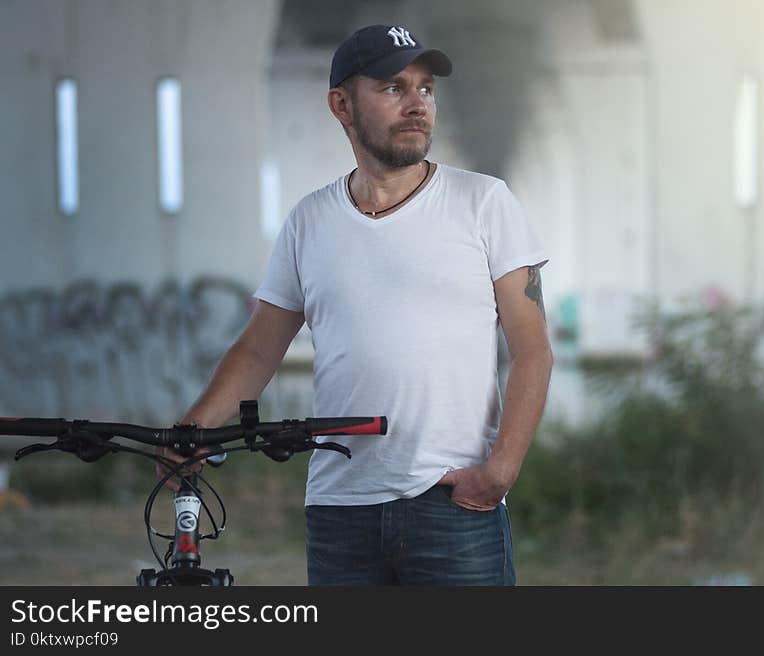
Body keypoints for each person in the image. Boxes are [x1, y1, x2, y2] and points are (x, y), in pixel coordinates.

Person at [158, 24, 553, 586]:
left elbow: (532, 350)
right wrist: (192, 431)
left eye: (425, 88)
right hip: (340, 511)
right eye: (393, 87)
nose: (417, 103)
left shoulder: (484, 202)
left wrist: (502, 471)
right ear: (341, 104)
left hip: (454, 506)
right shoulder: (308, 222)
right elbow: (258, 350)